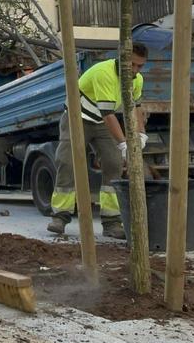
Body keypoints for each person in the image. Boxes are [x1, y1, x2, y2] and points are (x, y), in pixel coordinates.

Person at [47, 42, 149, 240]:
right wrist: (123, 144)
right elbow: (109, 115)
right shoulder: (104, 73)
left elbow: (136, 107)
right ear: (121, 60)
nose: (136, 70)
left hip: (101, 123)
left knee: (114, 163)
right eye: (132, 65)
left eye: (140, 66)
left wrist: (140, 134)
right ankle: (60, 216)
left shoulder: (137, 80)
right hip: (77, 118)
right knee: (68, 162)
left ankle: (111, 221)